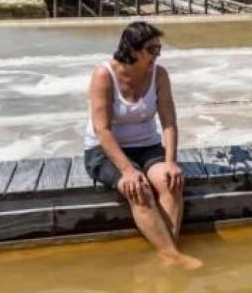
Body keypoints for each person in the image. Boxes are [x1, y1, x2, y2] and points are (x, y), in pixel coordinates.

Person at [83, 21, 202, 269]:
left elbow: (169, 122)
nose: (157, 55)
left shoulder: (159, 74)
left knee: (170, 183)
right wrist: (127, 170)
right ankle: (172, 254)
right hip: (105, 151)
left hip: (146, 146)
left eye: (159, 49)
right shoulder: (104, 75)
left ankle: (168, 253)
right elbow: (101, 129)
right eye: (152, 49)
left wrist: (170, 162)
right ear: (133, 49)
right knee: (139, 189)